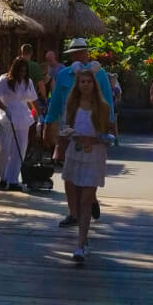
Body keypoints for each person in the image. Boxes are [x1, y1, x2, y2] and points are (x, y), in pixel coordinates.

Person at [44, 38, 117, 226]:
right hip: (69, 127)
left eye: (81, 52)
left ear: (86, 53)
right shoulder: (64, 75)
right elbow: (56, 102)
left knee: (91, 169)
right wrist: (47, 124)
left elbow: (107, 101)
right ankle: (73, 213)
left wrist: (109, 125)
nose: (78, 56)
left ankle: (90, 199)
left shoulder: (99, 74)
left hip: (93, 129)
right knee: (69, 172)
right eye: (74, 53)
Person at [59, 64, 111, 263]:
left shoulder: (102, 107)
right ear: (78, 84)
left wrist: (93, 140)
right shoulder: (72, 104)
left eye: (89, 82)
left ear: (94, 84)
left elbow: (107, 135)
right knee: (77, 196)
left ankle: (80, 244)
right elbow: (66, 127)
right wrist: (69, 135)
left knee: (87, 198)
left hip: (94, 154)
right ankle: (84, 236)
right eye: (82, 81)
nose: (86, 85)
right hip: (76, 153)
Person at [0, 57, 38, 190]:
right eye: (20, 71)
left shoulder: (28, 82)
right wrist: (5, 109)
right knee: (5, 149)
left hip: (23, 117)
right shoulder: (4, 80)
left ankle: (13, 180)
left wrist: (38, 117)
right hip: (6, 117)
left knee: (20, 150)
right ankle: (3, 177)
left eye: (24, 71)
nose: (22, 74)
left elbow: (33, 100)